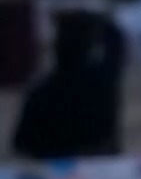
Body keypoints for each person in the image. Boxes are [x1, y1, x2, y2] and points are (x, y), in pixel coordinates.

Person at [10, 11, 125, 160]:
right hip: (99, 164)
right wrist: (98, 19)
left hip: (54, 165)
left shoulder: (41, 92)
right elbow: (116, 45)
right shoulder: (102, 81)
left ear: (56, 48)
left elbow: (21, 143)